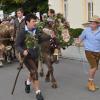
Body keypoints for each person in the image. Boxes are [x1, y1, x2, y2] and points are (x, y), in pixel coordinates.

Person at [15, 14, 44, 100]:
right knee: (35, 71)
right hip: (26, 56)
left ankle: (27, 83)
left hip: (35, 55)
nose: (35, 23)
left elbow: (41, 40)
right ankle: (38, 92)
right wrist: (22, 51)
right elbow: (17, 45)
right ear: (27, 22)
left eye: (36, 21)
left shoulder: (37, 30)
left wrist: (50, 36)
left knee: (32, 71)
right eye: (33, 21)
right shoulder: (22, 32)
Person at [76, 15, 100, 92]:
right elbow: (81, 37)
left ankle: (91, 82)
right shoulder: (86, 30)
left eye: (93, 23)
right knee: (94, 67)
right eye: (91, 23)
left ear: (98, 24)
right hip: (89, 51)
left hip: (98, 51)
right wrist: (78, 41)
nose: (91, 25)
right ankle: (89, 83)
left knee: (94, 68)